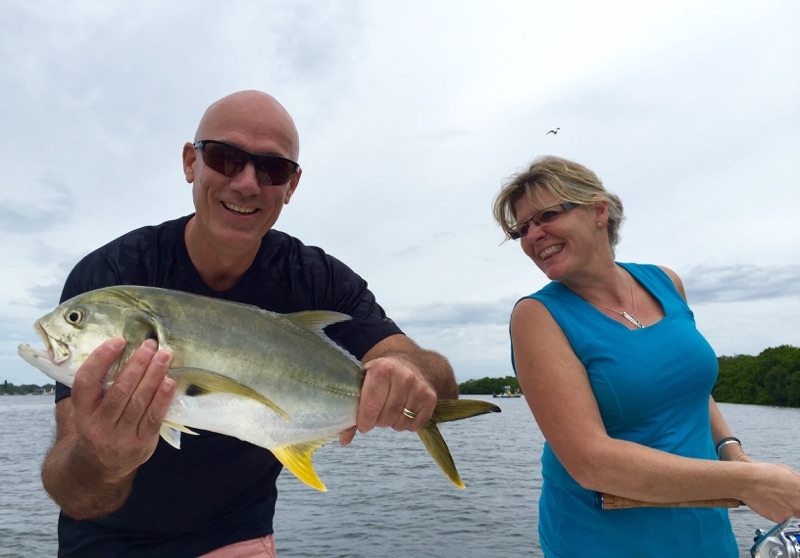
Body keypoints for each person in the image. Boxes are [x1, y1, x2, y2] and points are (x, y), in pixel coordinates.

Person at [41, 90, 458, 558]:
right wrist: (103, 458)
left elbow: (431, 375)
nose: (246, 183)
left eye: (271, 169)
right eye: (224, 157)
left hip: (236, 537)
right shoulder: (112, 276)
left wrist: (409, 375)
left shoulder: (315, 278)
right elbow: (75, 492)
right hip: (104, 542)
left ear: (291, 185)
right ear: (190, 163)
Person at [491, 155, 800, 557]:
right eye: (522, 229)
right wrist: (747, 483)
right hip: (602, 539)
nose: (533, 235)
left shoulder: (665, 282)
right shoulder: (536, 317)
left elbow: (691, 389)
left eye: (547, 215)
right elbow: (590, 461)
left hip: (705, 530)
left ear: (599, 211)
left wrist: (733, 453)